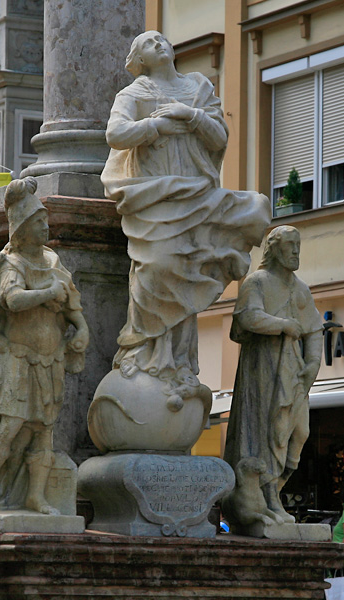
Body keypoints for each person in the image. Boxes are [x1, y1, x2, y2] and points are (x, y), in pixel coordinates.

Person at [101, 30, 270, 402]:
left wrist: (190, 116)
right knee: (158, 266)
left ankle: (175, 361)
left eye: (162, 38)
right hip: (155, 197)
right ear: (139, 59)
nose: (159, 43)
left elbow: (219, 138)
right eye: (148, 43)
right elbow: (116, 133)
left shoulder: (197, 86)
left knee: (250, 211)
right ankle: (144, 351)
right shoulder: (134, 93)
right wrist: (157, 126)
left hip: (195, 193)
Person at [0, 177, 89, 515]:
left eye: (46, 220)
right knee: (9, 427)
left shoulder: (52, 261)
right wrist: (47, 294)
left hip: (50, 359)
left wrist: (82, 329)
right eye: (38, 222)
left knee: (43, 432)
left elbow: (73, 304)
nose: (46, 227)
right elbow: (11, 299)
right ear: (21, 228)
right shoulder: (12, 263)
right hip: (17, 358)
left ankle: (35, 495)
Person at [222, 226, 323, 527]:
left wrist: (314, 362)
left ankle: (274, 490)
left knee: (299, 432)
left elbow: (314, 328)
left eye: (298, 245)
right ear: (274, 249)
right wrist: (282, 324)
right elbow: (246, 318)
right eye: (290, 245)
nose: (296, 251)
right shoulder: (257, 282)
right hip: (263, 368)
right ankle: (266, 497)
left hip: (293, 368)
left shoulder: (300, 288)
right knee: (267, 431)